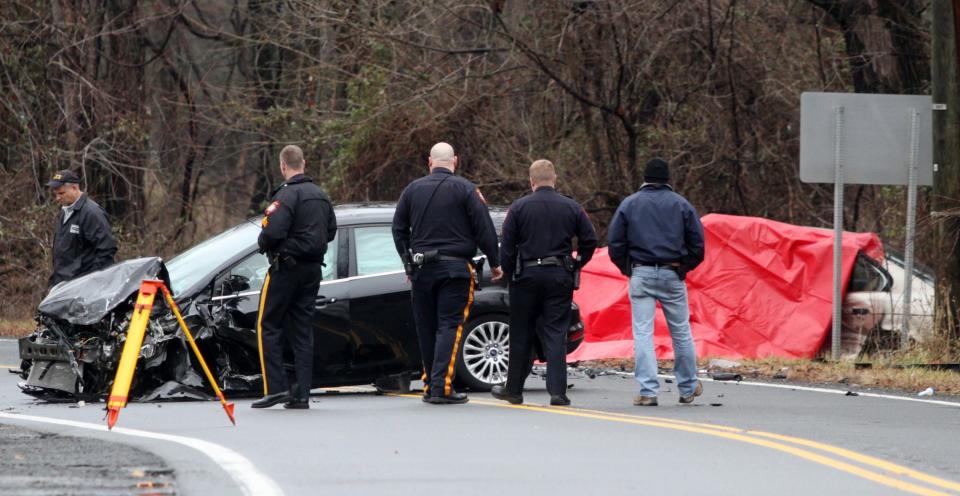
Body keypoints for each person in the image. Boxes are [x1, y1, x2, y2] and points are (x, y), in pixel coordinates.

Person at [392, 142, 503, 405]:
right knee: (449, 327)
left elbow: (398, 230)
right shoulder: (466, 190)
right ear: (456, 160)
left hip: (421, 270)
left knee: (427, 328)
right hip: (455, 269)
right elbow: (484, 229)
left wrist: (408, 263)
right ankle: (442, 387)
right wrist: (495, 262)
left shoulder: (411, 190)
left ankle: (431, 384)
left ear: (429, 162)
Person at [492, 159, 597, 406]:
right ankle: (558, 392)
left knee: (521, 333)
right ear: (555, 179)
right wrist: (576, 263)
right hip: (559, 276)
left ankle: (514, 390)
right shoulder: (572, 207)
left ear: (531, 182)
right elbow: (589, 239)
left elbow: (507, 247)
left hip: (526, 276)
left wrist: (509, 272)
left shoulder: (518, 208)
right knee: (555, 333)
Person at [607, 157, 705, 406]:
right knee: (681, 331)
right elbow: (697, 245)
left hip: (641, 272)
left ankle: (648, 391)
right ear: (667, 179)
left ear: (645, 178)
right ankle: (688, 387)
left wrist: (627, 268)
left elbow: (615, 243)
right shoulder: (682, 205)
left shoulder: (630, 204)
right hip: (672, 273)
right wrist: (684, 267)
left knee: (643, 332)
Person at [252, 145, 337, 410]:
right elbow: (331, 231)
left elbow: (273, 231)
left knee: (269, 325)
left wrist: (263, 242)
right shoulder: (321, 196)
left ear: (282, 166)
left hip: (286, 269)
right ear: (304, 163)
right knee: (302, 331)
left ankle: (276, 388)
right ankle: (301, 394)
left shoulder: (286, 195)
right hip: (313, 271)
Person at [47, 170, 117, 288]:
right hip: (62, 285)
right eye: (56, 194)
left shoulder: (92, 213)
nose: (57, 198)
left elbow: (107, 251)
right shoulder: (65, 211)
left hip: (82, 288)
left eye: (61, 193)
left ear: (74, 188)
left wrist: (88, 282)